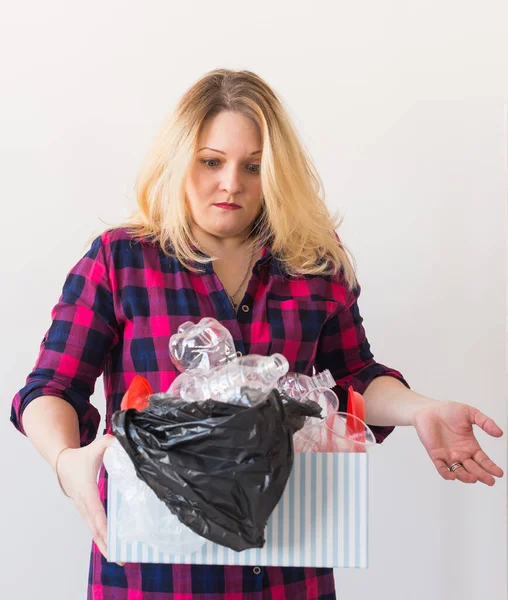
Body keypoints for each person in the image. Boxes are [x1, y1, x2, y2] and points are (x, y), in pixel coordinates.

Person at [10, 68, 504, 600]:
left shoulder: (314, 262)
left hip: (288, 571)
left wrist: (419, 409)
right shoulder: (121, 260)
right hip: (155, 576)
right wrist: (67, 460)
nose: (231, 184)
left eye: (253, 166)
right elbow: (49, 389)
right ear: (180, 160)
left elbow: (355, 378)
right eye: (211, 162)